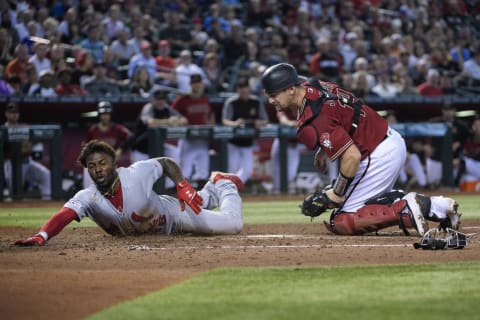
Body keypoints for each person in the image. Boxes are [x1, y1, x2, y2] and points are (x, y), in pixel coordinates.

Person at [261, 63, 461, 236]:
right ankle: (437, 207)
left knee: (341, 220)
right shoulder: (312, 85)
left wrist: (336, 193)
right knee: (357, 203)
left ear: (291, 90)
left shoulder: (312, 120)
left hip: (376, 154)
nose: (271, 100)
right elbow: (337, 118)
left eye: (273, 94)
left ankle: (405, 209)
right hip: (386, 140)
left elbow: (352, 157)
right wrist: (325, 147)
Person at [14, 140, 244, 246]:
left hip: (174, 215)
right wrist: (41, 236)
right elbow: (64, 214)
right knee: (201, 201)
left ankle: (224, 184)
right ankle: (212, 186)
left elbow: (165, 162)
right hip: (159, 228)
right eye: (92, 166)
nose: (97, 169)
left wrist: (182, 185)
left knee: (232, 224)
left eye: (102, 163)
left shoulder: (135, 173)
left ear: (113, 163)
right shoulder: (89, 197)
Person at [222, 76, 269, 185]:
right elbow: (225, 120)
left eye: (245, 87)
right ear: (237, 90)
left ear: (249, 88)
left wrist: (259, 123)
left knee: (247, 170)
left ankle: (232, 187)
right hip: (233, 142)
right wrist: (235, 123)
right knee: (231, 169)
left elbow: (265, 120)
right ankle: (230, 189)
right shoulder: (232, 102)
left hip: (248, 142)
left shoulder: (255, 102)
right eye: (241, 88)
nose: (243, 90)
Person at [171, 74, 215, 187]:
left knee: (203, 172)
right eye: (194, 83)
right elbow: (171, 113)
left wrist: (211, 123)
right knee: (185, 171)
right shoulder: (182, 99)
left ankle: (200, 199)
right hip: (187, 139)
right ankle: (182, 198)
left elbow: (210, 115)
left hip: (202, 139)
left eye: (199, 83)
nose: (197, 85)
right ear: (190, 84)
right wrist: (179, 120)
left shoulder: (205, 99)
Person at [3, 102, 51, 200]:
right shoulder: (3, 129)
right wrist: (21, 146)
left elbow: (28, 146)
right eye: (11, 112)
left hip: (27, 161)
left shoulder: (24, 126)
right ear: (6, 114)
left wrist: (22, 146)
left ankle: (47, 201)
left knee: (46, 174)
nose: (14, 114)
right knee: (14, 192)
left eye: (16, 112)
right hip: (11, 164)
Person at [82, 101, 133, 188]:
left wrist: (120, 149)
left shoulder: (118, 128)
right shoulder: (93, 129)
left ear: (111, 115)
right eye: (103, 114)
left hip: (111, 162)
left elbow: (131, 137)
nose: (105, 116)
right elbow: (86, 145)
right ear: (99, 115)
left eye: (107, 114)